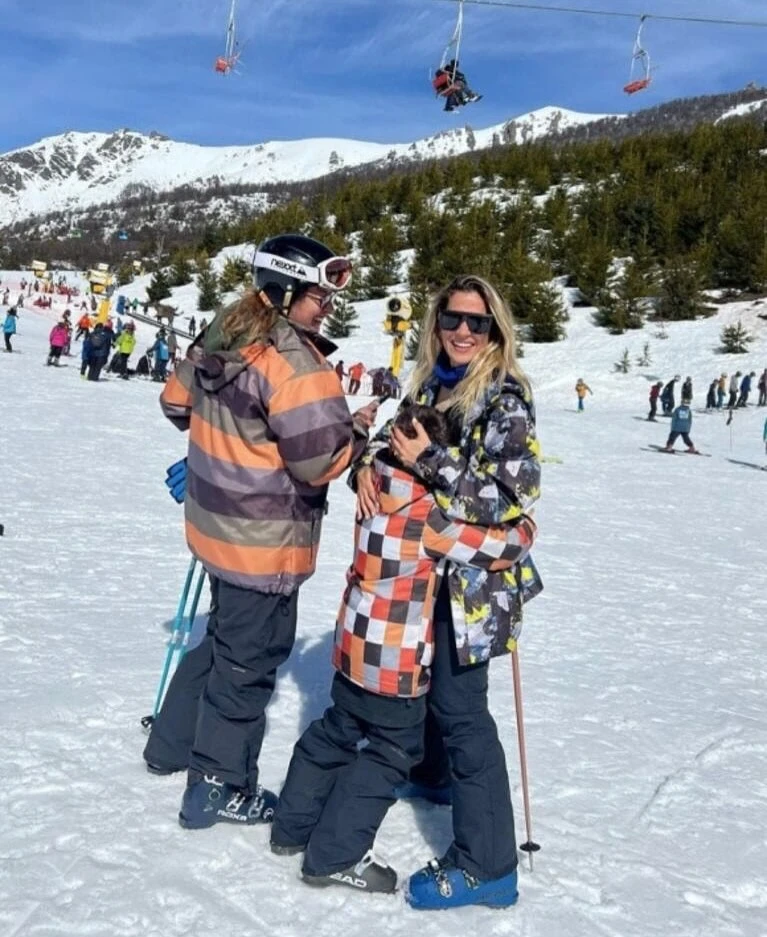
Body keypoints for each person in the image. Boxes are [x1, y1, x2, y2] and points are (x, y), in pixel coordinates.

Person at [142, 234, 379, 831]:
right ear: (285, 289)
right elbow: (317, 461)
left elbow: (176, 404)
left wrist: (231, 441)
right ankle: (217, 787)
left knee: (223, 640)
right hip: (263, 539)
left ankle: (170, 745)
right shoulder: (295, 361)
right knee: (247, 665)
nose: (327, 304)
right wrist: (352, 432)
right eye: (318, 293)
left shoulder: (224, 332)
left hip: (215, 527)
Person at [271, 404, 538, 893]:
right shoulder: (429, 515)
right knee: (393, 750)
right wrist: (526, 528)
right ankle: (335, 854)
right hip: (394, 658)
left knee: (337, 728)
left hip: (354, 643)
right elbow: (503, 547)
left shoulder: (376, 489)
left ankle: (292, 825)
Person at [353, 274, 542, 910]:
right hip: (428, 574)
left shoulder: (503, 399)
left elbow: (510, 500)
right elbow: (396, 442)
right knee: (433, 685)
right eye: (452, 320)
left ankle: (490, 864)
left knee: (464, 713)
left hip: (477, 588)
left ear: (495, 331)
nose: (462, 331)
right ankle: (433, 776)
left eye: (477, 323)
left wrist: (434, 459)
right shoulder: (435, 381)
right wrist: (364, 467)